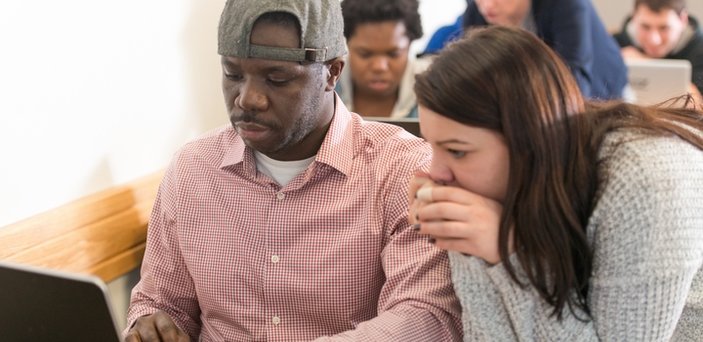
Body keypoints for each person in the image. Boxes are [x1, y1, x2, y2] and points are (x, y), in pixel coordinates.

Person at [123, 0, 463, 341]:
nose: (248, 99)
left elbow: (425, 318)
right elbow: (160, 302)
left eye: (277, 78)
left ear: (332, 72)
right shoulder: (192, 170)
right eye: (233, 75)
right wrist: (152, 324)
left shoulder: (401, 170)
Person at [410, 25, 703, 340]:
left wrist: (509, 254)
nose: (436, 173)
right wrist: (480, 253)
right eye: (432, 145)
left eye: (456, 150)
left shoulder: (644, 181)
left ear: (528, 140)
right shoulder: (487, 185)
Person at [462, 0, 628, 101]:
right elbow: (471, 73)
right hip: (531, 92)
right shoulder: (476, 11)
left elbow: (573, 79)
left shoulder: (566, 4)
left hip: (600, 88)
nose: (488, 5)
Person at [336, 0, 428, 118]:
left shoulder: (435, 88)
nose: (379, 67)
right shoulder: (324, 84)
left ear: (410, 46)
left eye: (393, 54)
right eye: (365, 54)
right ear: (347, 44)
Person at [613, 0, 703, 98]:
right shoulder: (614, 45)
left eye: (664, 28)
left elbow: (698, 106)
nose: (654, 40)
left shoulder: (700, 50)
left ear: (683, 19)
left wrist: (645, 63)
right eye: (645, 27)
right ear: (634, 17)